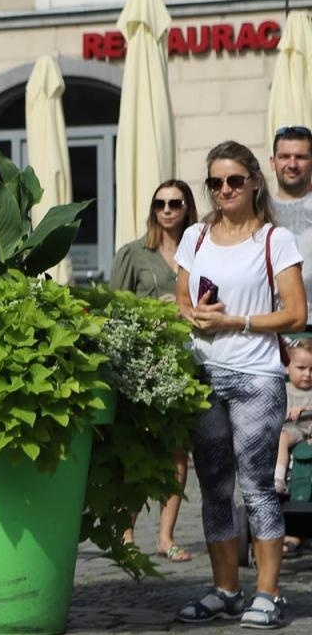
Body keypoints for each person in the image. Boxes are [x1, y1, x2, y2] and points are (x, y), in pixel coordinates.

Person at [175, 140, 307, 629]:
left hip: (255, 377)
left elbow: (296, 312)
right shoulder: (196, 236)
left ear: (254, 180)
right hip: (204, 375)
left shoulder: (275, 240)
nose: (224, 189)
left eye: (233, 180)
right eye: (214, 182)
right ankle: (225, 589)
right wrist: (195, 314)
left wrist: (236, 322)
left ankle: (268, 593)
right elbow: (180, 303)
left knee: (256, 486)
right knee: (213, 487)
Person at [110, 178, 199, 562]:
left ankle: (165, 535)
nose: (167, 210)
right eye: (160, 203)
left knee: (178, 451)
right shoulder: (133, 253)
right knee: (139, 447)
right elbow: (115, 307)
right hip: (143, 364)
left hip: (187, 361)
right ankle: (127, 533)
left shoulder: (201, 252)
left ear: (186, 208)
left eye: (175, 203)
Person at [266, 124, 312, 327]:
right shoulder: (257, 212)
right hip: (269, 330)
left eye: (301, 157)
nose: (292, 164)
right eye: (284, 156)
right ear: (272, 162)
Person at [276, 343, 312, 546]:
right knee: (281, 437)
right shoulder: (284, 390)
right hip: (292, 432)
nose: (307, 374)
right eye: (301, 368)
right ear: (287, 368)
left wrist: (306, 407)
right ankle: (279, 478)